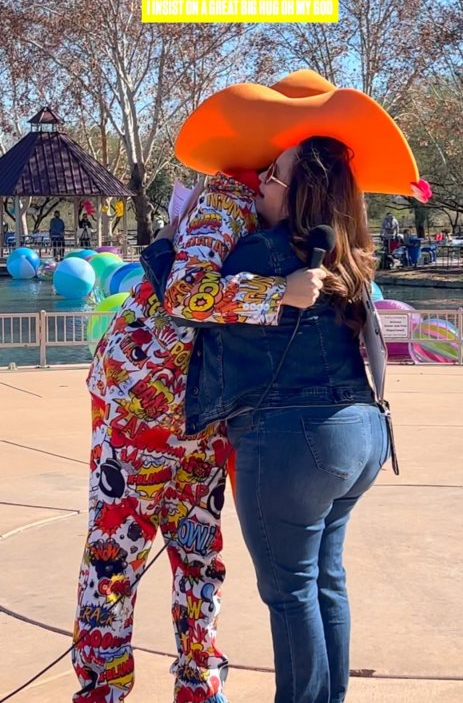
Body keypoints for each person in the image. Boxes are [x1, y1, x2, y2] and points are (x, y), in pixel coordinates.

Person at [144, 70, 431, 703]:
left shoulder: (263, 255)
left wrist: (166, 245)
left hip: (294, 444)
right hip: (362, 437)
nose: (262, 184)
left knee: (290, 592)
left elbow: (185, 298)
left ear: (299, 190)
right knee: (326, 580)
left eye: (272, 175)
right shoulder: (349, 255)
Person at [72, 170, 322, 703]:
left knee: (198, 554)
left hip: (198, 410)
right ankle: (105, 690)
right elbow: (185, 293)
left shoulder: (271, 219)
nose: (271, 180)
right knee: (118, 552)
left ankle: (198, 684)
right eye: (274, 170)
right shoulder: (230, 198)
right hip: (145, 403)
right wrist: (280, 292)